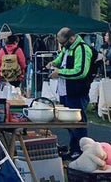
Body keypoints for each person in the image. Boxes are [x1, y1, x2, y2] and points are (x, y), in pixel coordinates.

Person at [47, 27, 93, 160]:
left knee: (78, 123)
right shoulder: (67, 48)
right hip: (65, 91)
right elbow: (60, 59)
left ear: (71, 38)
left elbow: (80, 71)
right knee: (67, 122)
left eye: (62, 43)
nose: (61, 46)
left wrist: (60, 72)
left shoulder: (82, 49)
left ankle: (81, 150)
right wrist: (53, 63)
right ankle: (74, 148)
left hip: (77, 92)